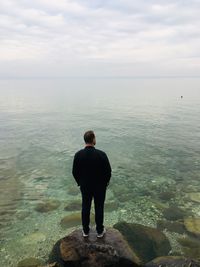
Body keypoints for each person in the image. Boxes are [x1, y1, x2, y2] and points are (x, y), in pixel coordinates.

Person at [72, 130, 112, 238]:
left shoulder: (78, 155)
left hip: (85, 186)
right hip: (100, 186)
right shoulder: (101, 154)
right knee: (99, 207)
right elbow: (108, 171)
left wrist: (79, 183)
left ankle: (85, 231)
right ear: (93, 139)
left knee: (85, 207)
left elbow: (74, 172)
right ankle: (99, 231)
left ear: (85, 140)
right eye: (95, 138)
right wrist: (105, 183)